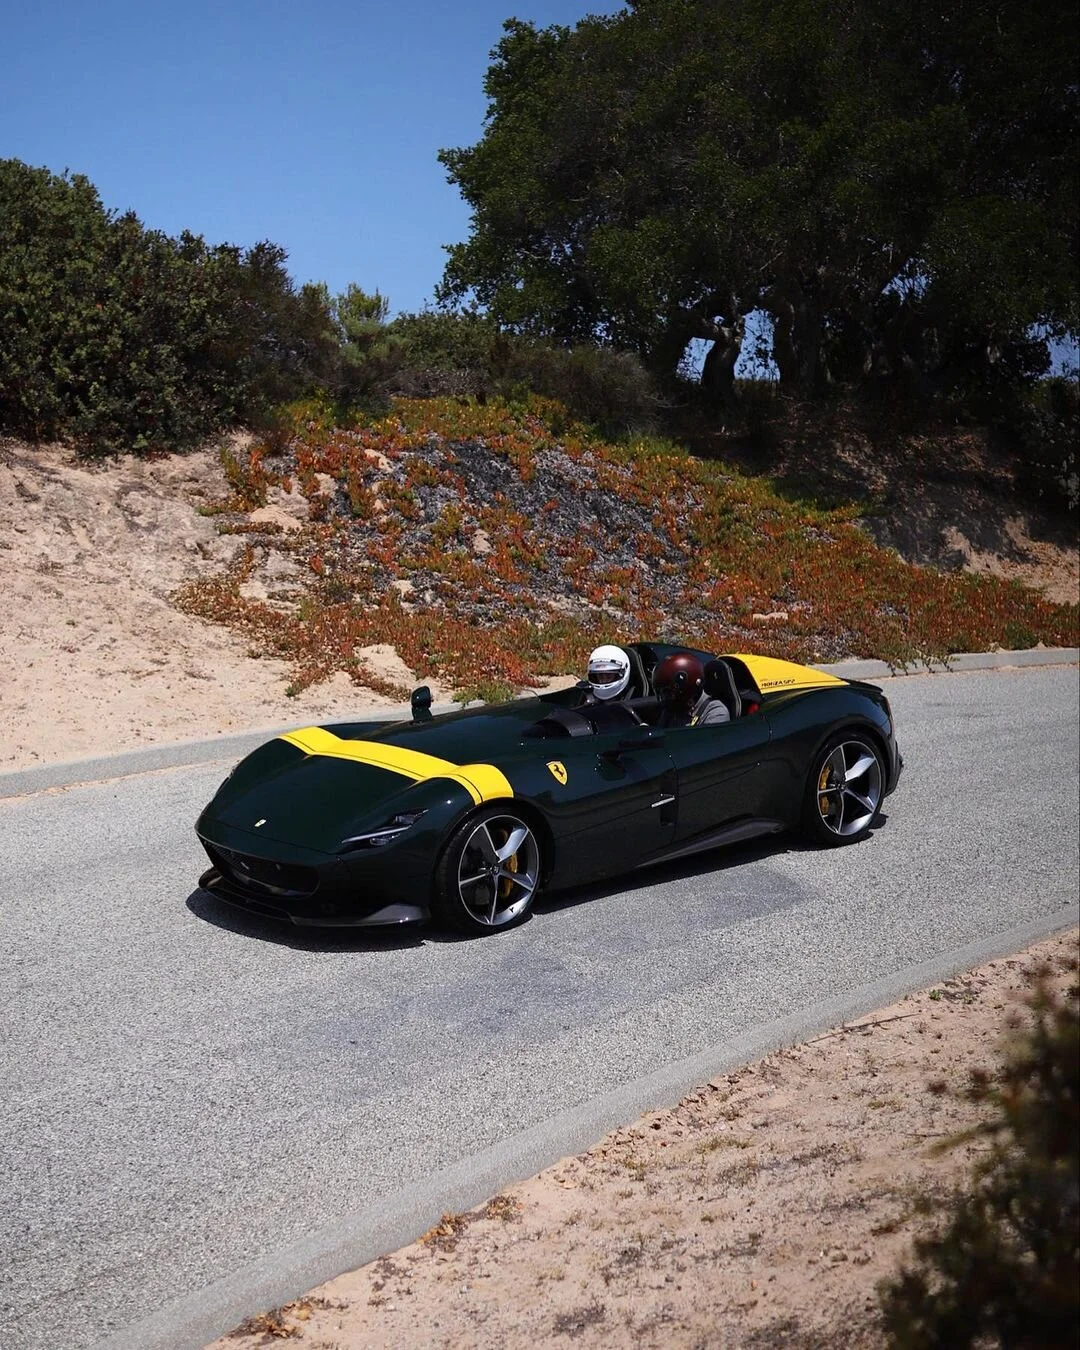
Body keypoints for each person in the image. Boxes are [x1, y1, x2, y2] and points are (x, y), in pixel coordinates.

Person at [653, 652, 730, 728]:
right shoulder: (670, 711)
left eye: (668, 693)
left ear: (686, 689)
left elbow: (705, 740)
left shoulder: (715, 712)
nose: (665, 697)